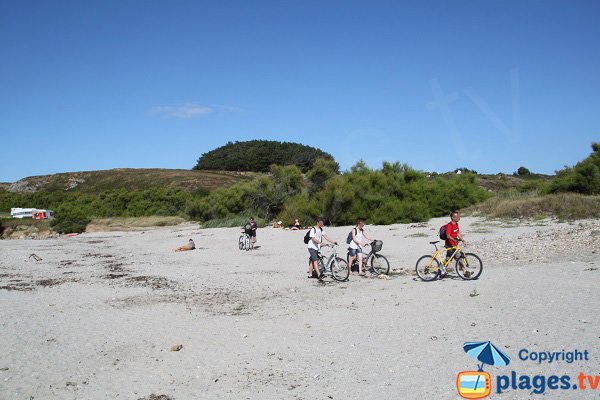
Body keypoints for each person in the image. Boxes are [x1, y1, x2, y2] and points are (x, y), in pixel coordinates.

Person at [443, 210, 468, 277]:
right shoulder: (449, 225)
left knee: (449, 258)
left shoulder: (456, 224)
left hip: (454, 244)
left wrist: (462, 240)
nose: (459, 218)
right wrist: (454, 239)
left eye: (459, 216)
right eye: (457, 217)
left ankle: (442, 270)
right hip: (449, 244)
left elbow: (458, 233)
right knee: (457, 257)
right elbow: (448, 236)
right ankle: (465, 272)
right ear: (453, 218)